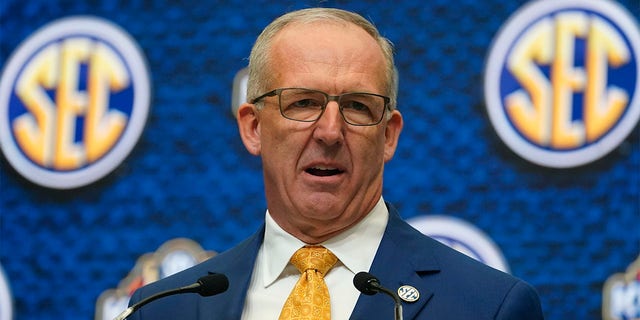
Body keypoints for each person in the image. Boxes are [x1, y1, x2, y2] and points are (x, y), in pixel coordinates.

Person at [128, 7, 543, 320]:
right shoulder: (167, 308)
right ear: (253, 128)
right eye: (303, 103)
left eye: (358, 107)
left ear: (389, 135)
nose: (329, 132)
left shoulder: (488, 307)